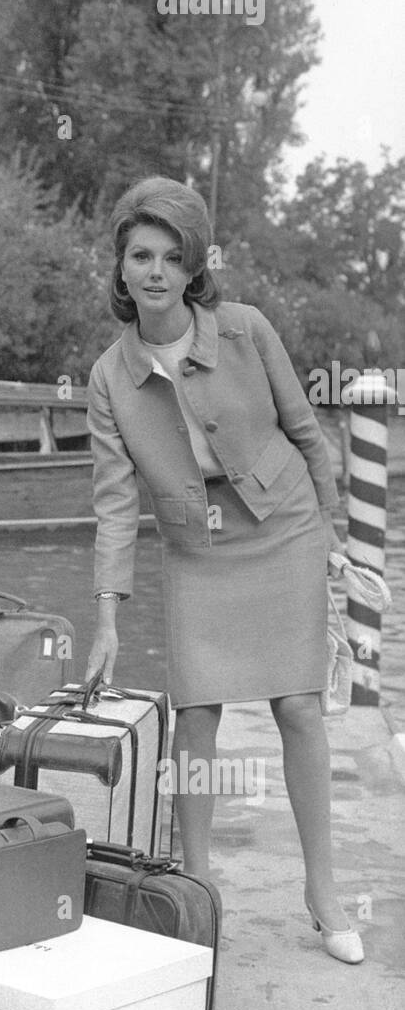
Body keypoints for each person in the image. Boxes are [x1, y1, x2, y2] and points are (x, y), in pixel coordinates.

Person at [84, 175, 363, 964]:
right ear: (120, 264)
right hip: (196, 549)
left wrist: (334, 534)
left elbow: (307, 434)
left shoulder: (244, 329)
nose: (156, 272)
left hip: (283, 530)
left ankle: (324, 890)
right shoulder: (108, 377)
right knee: (196, 717)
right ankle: (196, 893)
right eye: (142, 255)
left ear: (194, 267)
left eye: (173, 258)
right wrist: (105, 615)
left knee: (299, 708)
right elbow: (111, 504)